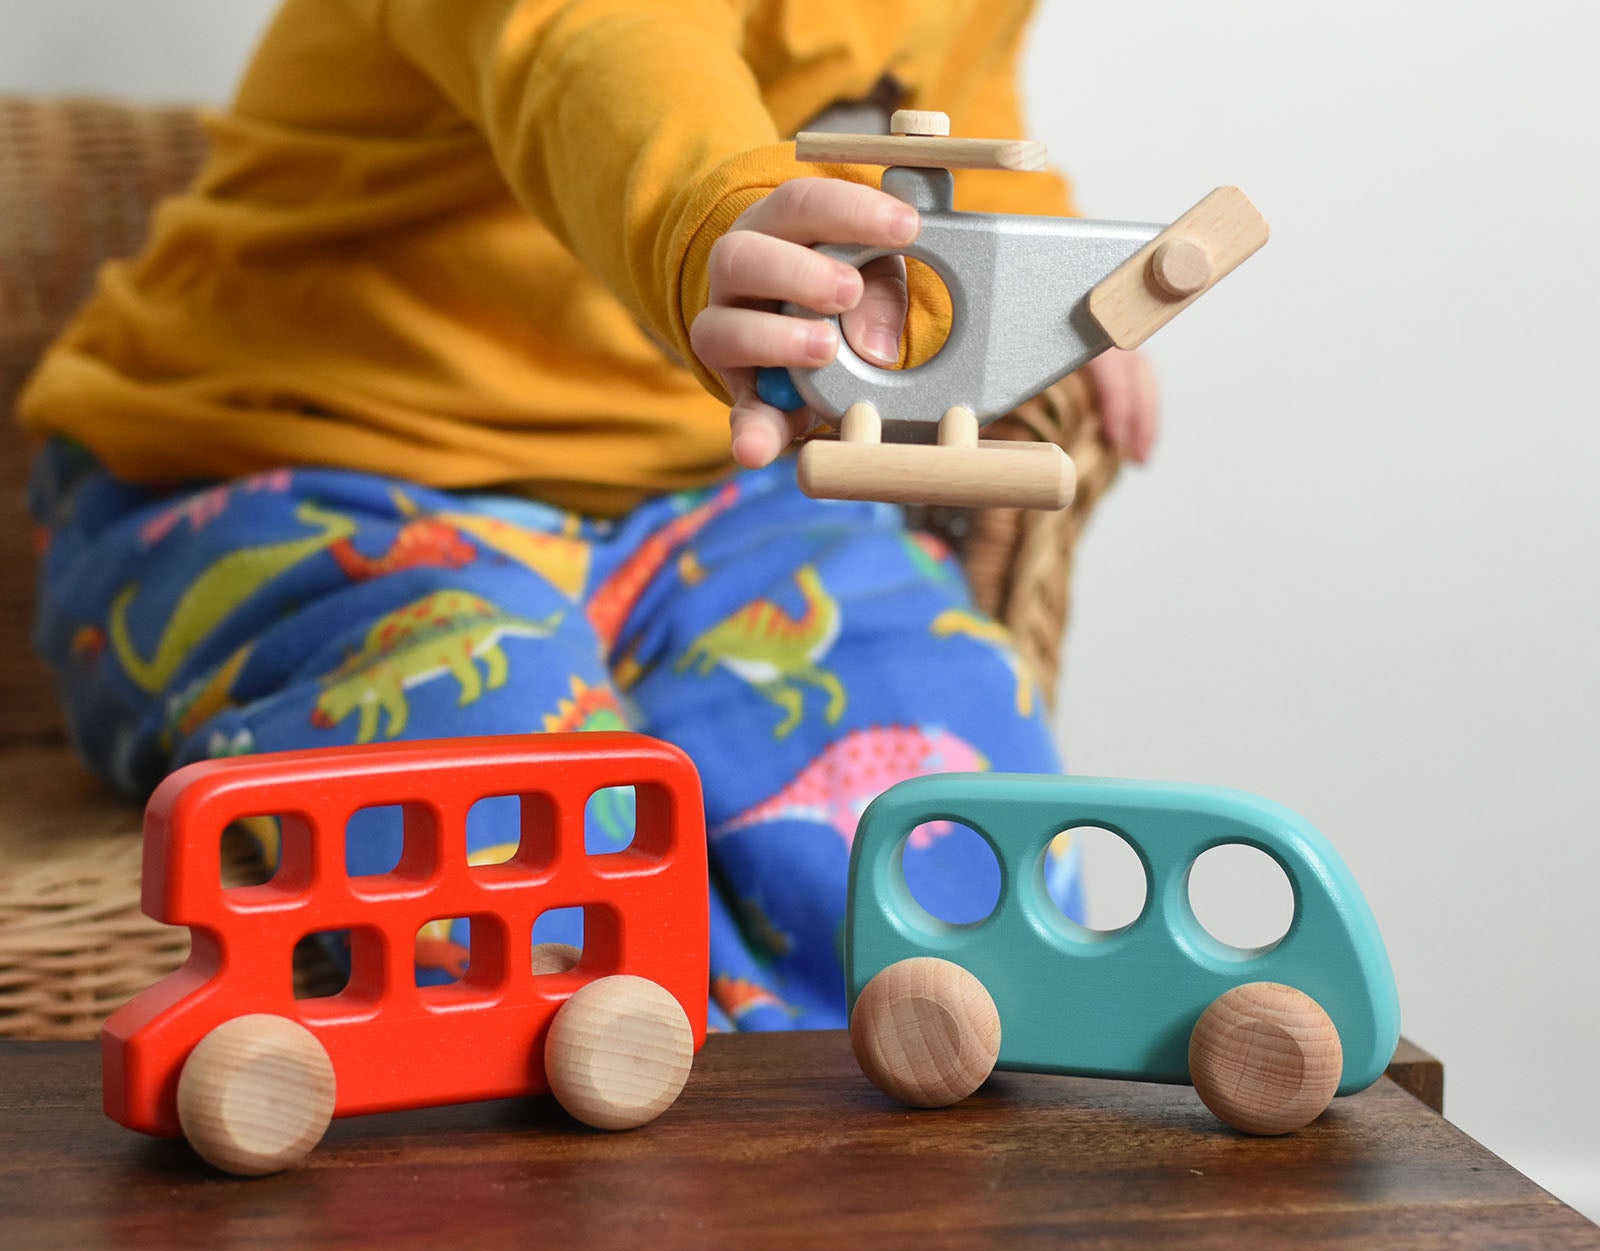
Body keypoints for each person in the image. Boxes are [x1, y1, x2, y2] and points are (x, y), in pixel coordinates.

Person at [19, 0, 1158, 1031]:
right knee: (503, 766)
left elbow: (949, 133)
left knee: (939, 757)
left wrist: (1043, 297)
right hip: (280, 471)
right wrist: (720, 219)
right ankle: (606, 1126)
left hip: (697, 495)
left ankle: (872, 1136)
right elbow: (591, 47)